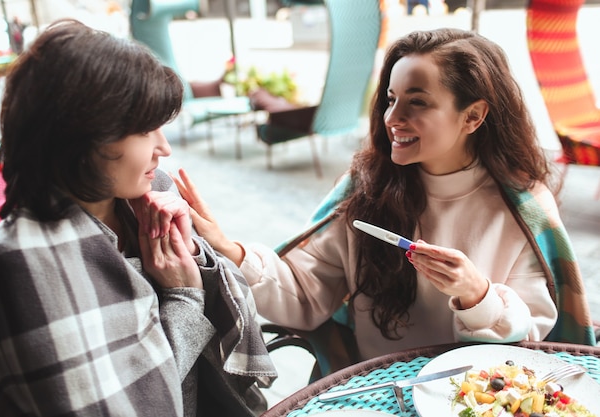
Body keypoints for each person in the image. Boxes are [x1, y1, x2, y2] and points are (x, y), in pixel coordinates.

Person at [174, 28, 596, 373]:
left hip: (477, 394)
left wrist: (477, 295)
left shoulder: (523, 207)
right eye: (391, 99)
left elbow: (534, 336)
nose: (392, 118)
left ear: (473, 116)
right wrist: (231, 251)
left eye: (418, 102)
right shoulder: (364, 188)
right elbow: (304, 295)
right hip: (375, 391)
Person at [0, 19, 275, 417]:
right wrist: (184, 297)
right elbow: (125, 406)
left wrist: (195, 257)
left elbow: (225, 306)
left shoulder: (146, 197)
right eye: (146, 130)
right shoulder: (20, 265)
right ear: (82, 135)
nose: (163, 148)